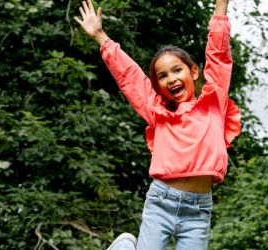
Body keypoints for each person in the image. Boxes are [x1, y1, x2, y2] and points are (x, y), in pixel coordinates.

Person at [74, 0, 239, 249]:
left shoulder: (213, 103)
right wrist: (100, 37)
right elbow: (130, 77)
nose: (171, 78)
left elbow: (219, 56)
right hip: (161, 202)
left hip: (198, 210)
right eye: (162, 76)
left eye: (176, 70)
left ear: (194, 72)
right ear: (159, 85)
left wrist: (220, 7)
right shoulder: (158, 112)